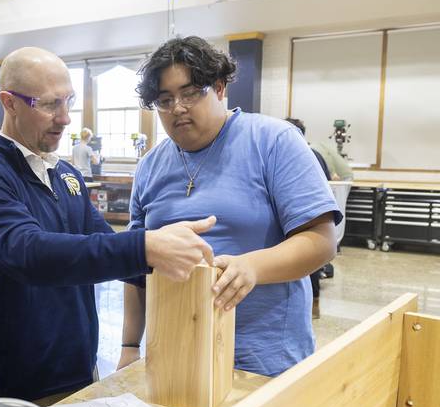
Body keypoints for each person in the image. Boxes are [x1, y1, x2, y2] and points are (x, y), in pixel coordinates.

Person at [0, 46, 217, 404]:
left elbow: (103, 247)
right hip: (14, 383)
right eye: (49, 105)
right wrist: (145, 247)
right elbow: (30, 254)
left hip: (76, 372)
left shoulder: (65, 175)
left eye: (69, 102)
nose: (65, 119)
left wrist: (198, 269)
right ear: (9, 102)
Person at [118, 36, 340, 377]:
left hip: (263, 359)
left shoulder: (273, 141)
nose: (177, 107)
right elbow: (138, 269)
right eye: (164, 100)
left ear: (220, 88)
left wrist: (252, 266)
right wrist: (130, 346)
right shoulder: (149, 167)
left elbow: (321, 241)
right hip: (175, 354)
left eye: (190, 93)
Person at [287, 117, 333, 319]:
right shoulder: (315, 154)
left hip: (310, 216)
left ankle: (313, 303)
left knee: (308, 258)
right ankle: (315, 302)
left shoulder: (300, 155)